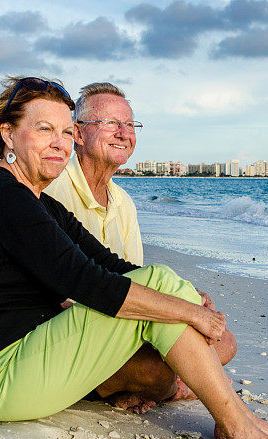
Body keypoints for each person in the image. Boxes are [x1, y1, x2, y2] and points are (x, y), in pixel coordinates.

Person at [0, 76, 268, 439]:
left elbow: (113, 266)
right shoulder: (3, 195)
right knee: (161, 294)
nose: (60, 142)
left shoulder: (37, 201)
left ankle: (237, 422)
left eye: (65, 131)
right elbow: (86, 282)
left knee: (162, 282)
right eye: (44, 129)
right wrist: (187, 311)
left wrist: (184, 295)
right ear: (8, 134)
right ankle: (239, 430)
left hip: (15, 360)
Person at [44, 82, 236, 411]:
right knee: (158, 371)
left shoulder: (124, 203)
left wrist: (185, 299)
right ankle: (169, 382)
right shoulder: (52, 189)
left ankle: (152, 381)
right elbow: (55, 296)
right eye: (110, 123)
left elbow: (134, 276)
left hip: (118, 320)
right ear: (77, 133)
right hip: (66, 330)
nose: (123, 133)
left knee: (224, 340)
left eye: (130, 125)